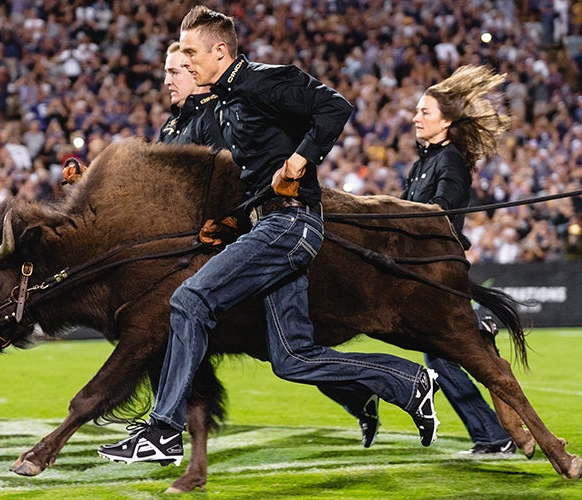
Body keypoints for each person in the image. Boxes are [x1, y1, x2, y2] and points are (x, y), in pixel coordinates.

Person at [97, 5, 440, 466]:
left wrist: (301, 160)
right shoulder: (224, 105)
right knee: (292, 357)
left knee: (189, 300)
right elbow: (248, 178)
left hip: (291, 222)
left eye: (193, 53)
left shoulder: (263, 80)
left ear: (221, 51)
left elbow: (335, 107)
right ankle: (407, 380)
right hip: (268, 224)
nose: (188, 62)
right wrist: (231, 219)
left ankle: (163, 431)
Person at [402, 65, 516, 454]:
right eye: (417, 112)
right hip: (421, 269)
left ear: (447, 122)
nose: (415, 117)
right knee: (440, 356)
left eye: (424, 112)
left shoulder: (449, 161)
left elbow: (444, 207)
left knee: (444, 355)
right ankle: (493, 434)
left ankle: (495, 434)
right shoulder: (421, 164)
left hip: (439, 270)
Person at [158, 41, 223, 149]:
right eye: (166, 73)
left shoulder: (217, 115)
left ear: (196, 73)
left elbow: (224, 165)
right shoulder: (171, 122)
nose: (166, 81)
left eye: (174, 73)